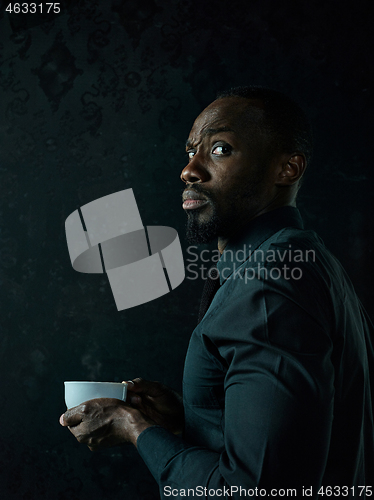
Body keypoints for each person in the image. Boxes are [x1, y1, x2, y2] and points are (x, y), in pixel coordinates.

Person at [59, 87, 374, 498]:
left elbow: (254, 490)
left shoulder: (269, 284)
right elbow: (306, 436)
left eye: (220, 149)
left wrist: (135, 428)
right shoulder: (307, 261)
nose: (190, 170)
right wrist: (192, 416)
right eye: (191, 151)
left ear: (288, 169)